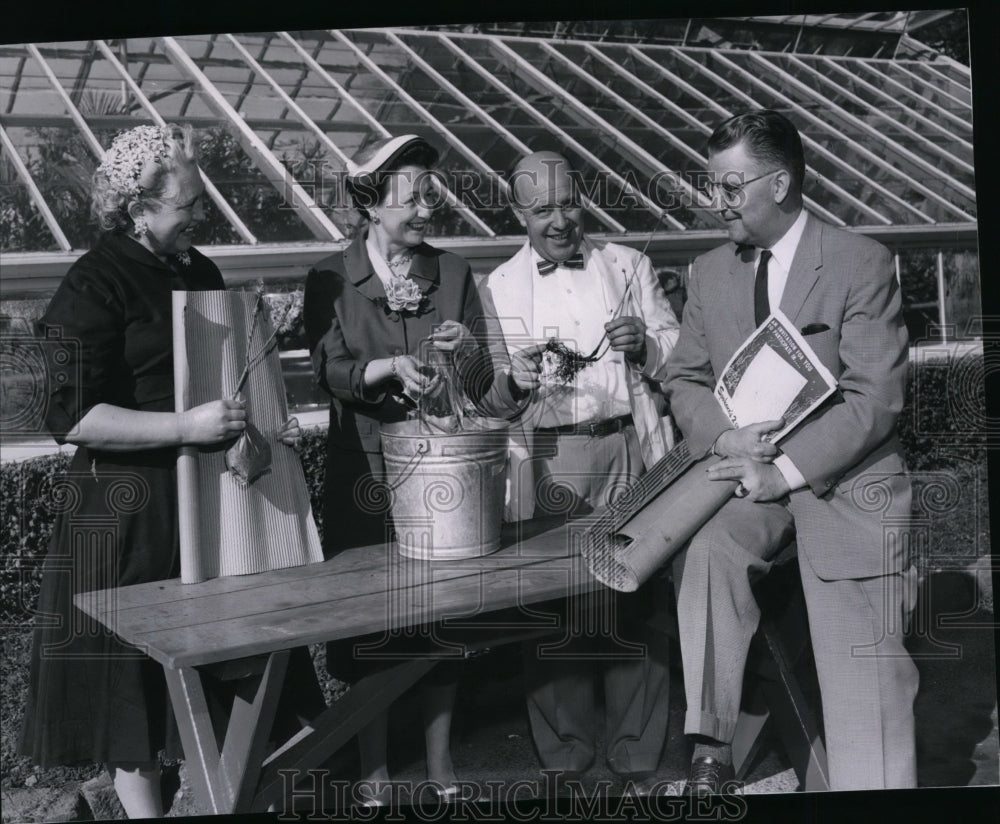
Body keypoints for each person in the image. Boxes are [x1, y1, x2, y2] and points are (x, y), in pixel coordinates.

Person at [17, 124, 321, 818]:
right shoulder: (92, 284)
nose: (199, 215)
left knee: (224, 674)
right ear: (138, 211)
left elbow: (226, 376)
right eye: (186, 204)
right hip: (127, 518)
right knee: (133, 703)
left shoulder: (199, 270)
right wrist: (185, 428)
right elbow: (70, 418)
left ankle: (213, 798)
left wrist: (263, 413)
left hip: (205, 512)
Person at [664, 109, 917, 793]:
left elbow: (877, 399)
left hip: (844, 489)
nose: (715, 202)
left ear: (778, 184)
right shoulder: (708, 273)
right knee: (705, 548)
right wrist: (722, 436)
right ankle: (711, 744)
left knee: (869, 723)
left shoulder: (860, 263)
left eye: (729, 187)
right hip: (747, 487)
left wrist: (782, 471)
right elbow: (682, 377)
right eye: (710, 185)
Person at [303, 134, 516, 804]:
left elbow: (482, 383)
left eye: (432, 190)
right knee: (372, 623)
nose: (429, 204)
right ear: (372, 200)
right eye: (415, 192)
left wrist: (469, 357)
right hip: (363, 472)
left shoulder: (453, 274)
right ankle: (375, 769)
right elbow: (325, 370)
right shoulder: (328, 278)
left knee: (441, 619)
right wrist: (384, 368)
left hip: (442, 474)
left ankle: (440, 761)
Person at [479, 151, 679, 792]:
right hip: (547, 456)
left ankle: (636, 752)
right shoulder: (499, 286)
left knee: (636, 596)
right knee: (556, 605)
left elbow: (681, 351)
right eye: (541, 211)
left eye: (568, 204)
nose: (559, 221)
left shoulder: (630, 264)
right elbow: (489, 395)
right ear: (518, 214)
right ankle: (566, 755)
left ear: (582, 199)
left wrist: (645, 344)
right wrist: (516, 377)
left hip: (626, 444)